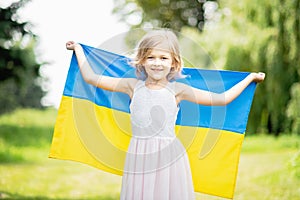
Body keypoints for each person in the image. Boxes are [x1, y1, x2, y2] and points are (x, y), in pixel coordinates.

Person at [66, 29, 265, 200]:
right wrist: (79, 49)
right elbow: (91, 77)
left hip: (169, 157)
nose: (157, 63)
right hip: (139, 155)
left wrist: (250, 78)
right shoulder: (132, 86)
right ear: (142, 61)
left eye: (163, 58)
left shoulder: (178, 90)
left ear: (174, 63)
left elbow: (221, 99)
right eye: (151, 57)